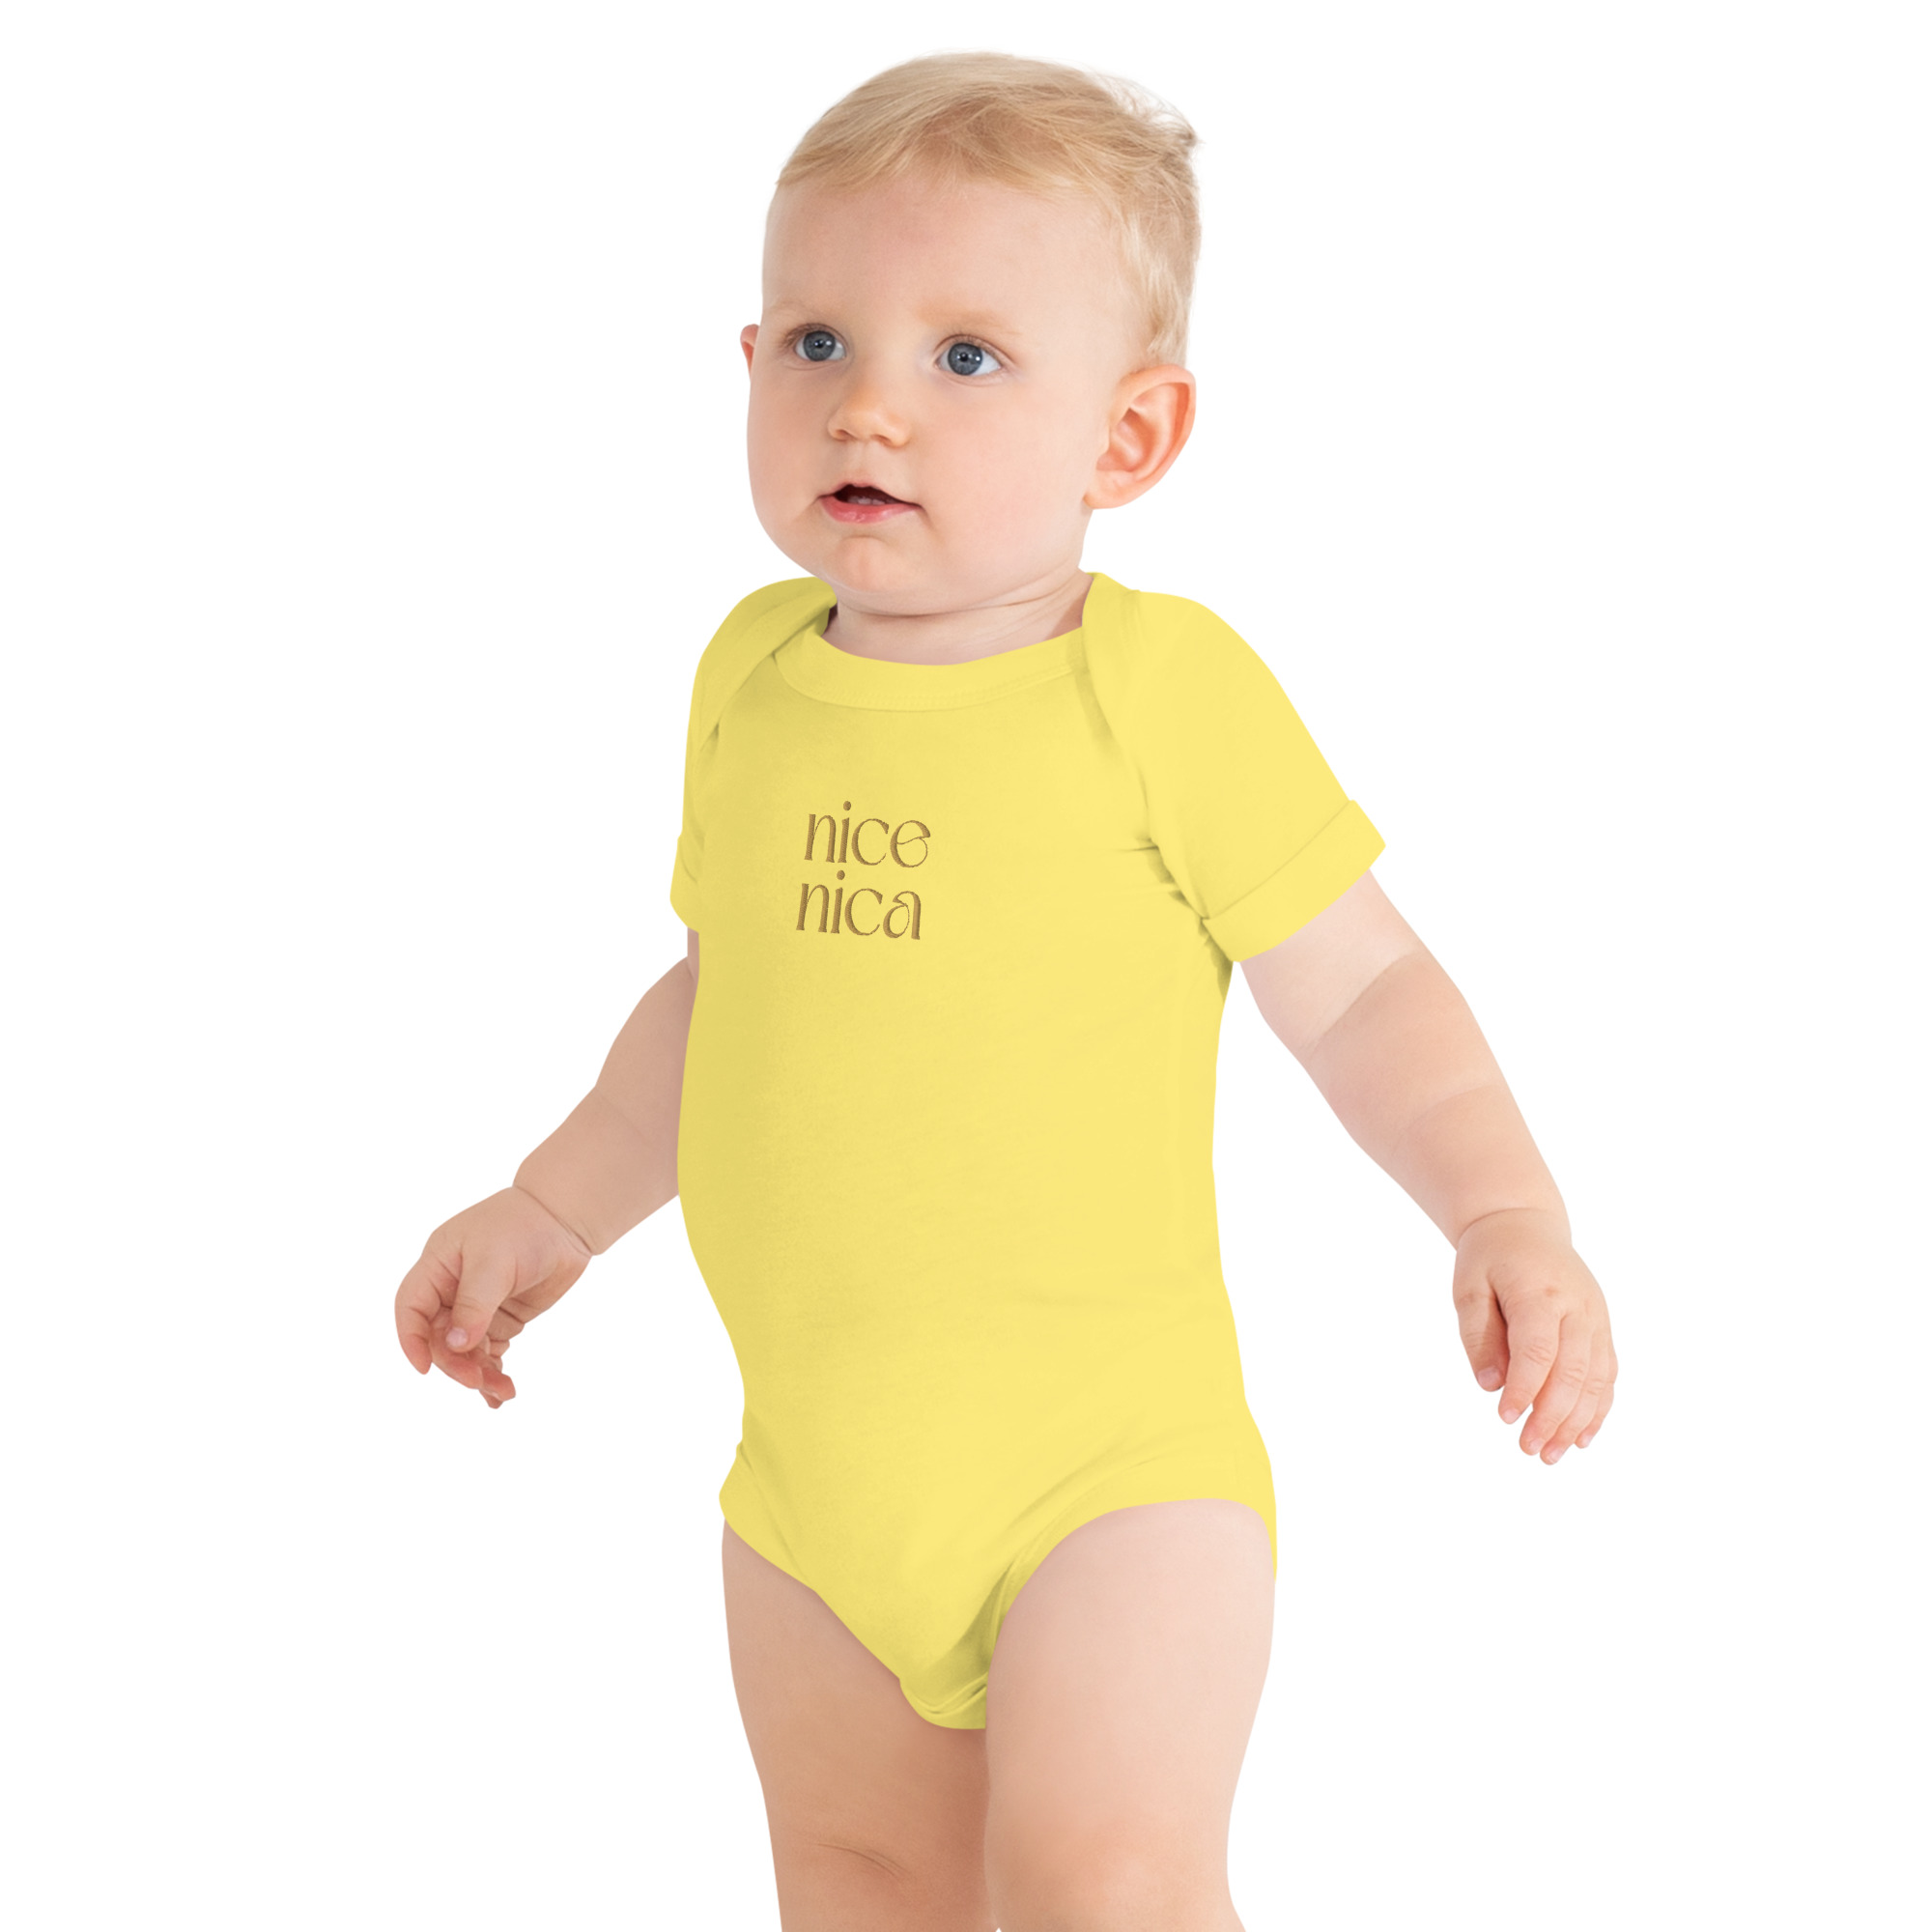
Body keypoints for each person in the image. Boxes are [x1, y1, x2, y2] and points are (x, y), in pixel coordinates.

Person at [393, 50, 1616, 1932]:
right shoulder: (749, 677)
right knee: (860, 1886)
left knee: (1104, 1886)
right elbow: (726, 996)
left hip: (1109, 1481)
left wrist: (1502, 1209)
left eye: (965, 355)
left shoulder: (1161, 691)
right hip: (812, 1492)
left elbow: (1365, 986)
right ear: (747, 365)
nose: (869, 401)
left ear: (1127, 439)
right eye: (818, 342)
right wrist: (552, 1203)